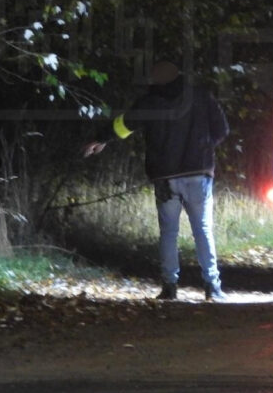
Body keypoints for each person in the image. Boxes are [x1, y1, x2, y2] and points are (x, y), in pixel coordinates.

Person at [83, 60, 230, 301]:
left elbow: (123, 126)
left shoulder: (149, 102)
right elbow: (222, 130)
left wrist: (101, 139)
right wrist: (202, 150)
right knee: (203, 230)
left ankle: (169, 287)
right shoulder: (201, 97)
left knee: (168, 233)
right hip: (197, 175)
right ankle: (212, 287)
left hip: (165, 177)